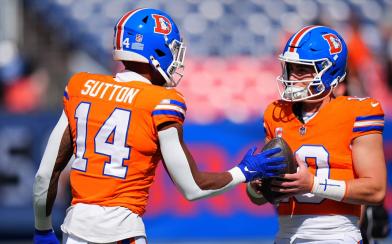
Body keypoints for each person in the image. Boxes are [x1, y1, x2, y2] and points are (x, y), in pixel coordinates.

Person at [32, 8, 287, 244]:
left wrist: (42, 229)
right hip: (121, 233)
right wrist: (244, 171)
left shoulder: (81, 87)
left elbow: (46, 173)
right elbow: (193, 188)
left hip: (75, 230)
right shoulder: (161, 101)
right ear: (157, 51)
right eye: (172, 50)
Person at [246, 25, 387, 243]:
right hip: (286, 236)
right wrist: (258, 188)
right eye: (290, 68)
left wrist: (312, 184)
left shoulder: (358, 111)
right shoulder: (276, 113)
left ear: (329, 71)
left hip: (337, 236)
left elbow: (375, 190)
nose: (293, 76)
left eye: (302, 69)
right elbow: (258, 199)